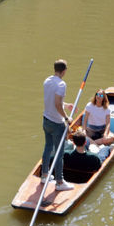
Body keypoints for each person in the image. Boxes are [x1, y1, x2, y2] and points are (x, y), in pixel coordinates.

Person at [41, 59, 75, 192]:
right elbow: (56, 103)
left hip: (46, 120)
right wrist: (67, 117)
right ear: (64, 71)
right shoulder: (62, 84)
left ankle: (44, 175)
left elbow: (53, 100)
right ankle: (59, 182)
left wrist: (66, 105)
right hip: (56, 123)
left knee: (48, 147)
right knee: (59, 153)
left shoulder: (47, 80)